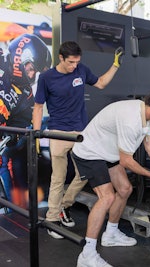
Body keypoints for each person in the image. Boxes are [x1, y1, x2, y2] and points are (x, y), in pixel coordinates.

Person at [72, 89, 150, 267]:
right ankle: (87, 254)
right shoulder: (131, 120)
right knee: (107, 197)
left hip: (107, 153)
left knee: (124, 189)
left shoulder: (146, 117)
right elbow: (126, 161)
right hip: (90, 152)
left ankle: (111, 234)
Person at [32, 41, 124, 239]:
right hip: (58, 132)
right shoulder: (46, 77)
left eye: (77, 62)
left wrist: (115, 65)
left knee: (83, 175)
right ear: (61, 58)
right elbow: (38, 106)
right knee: (58, 178)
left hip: (81, 133)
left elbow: (100, 83)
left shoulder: (81, 70)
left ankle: (63, 207)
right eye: (71, 62)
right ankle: (52, 219)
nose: (74, 66)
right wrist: (37, 133)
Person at [0, 33, 52, 207]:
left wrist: (14, 134)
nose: (32, 75)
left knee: (12, 156)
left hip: (7, 136)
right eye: (31, 69)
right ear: (19, 61)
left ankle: (15, 208)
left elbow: (23, 120)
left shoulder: (24, 91)